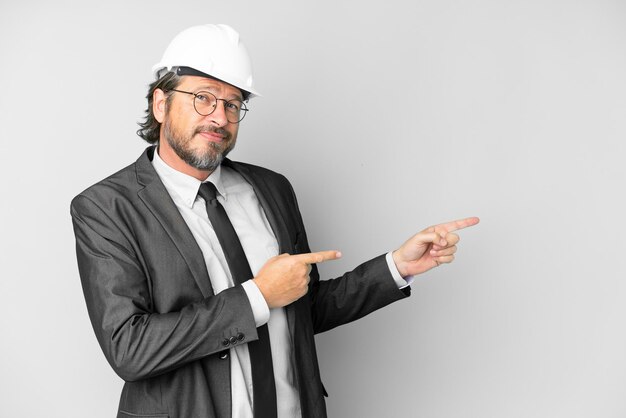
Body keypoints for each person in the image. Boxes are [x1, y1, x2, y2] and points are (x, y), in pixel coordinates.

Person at [70, 24, 479, 418]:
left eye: (232, 104)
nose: (219, 117)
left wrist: (396, 267)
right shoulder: (106, 208)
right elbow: (130, 348)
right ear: (161, 104)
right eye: (203, 98)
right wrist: (258, 296)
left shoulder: (271, 189)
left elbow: (302, 308)